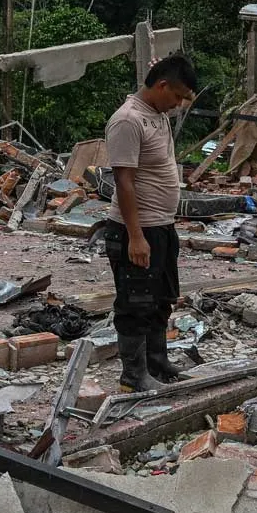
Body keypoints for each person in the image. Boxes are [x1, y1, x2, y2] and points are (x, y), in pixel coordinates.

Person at [103, 54, 198, 392]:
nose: (178, 105)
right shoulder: (128, 121)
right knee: (135, 304)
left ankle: (156, 362)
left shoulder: (157, 114)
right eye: (177, 97)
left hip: (162, 226)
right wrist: (135, 237)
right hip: (136, 229)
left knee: (161, 299)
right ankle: (133, 376)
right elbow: (124, 182)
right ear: (161, 86)